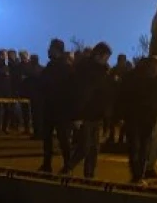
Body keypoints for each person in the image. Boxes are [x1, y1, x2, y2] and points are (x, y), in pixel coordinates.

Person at [65, 42, 113, 178]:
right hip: (85, 114)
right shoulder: (84, 70)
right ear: (98, 55)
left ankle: (89, 176)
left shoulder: (103, 71)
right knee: (84, 148)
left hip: (96, 115)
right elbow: (79, 94)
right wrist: (77, 115)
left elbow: (105, 94)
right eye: (105, 57)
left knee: (94, 150)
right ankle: (67, 168)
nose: (106, 60)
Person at [119, 55, 157, 185]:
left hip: (136, 117)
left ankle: (137, 174)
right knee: (142, 147)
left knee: (136, 147)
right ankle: (139, 175)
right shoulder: (151, 80)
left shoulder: (132, 77)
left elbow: (123, 96)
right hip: (142, 118)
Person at [38, 39, 76, 173]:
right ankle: (47, 164)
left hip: (61, 110)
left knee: (63, 139)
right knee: (47, 138)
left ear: (57, 50)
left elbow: (71, 90)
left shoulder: (65, 68)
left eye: (51, 48)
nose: (48, 50)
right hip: (50, 108)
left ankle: (67, 165)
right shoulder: (50, 66)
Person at [108, 54, 133, 145]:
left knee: (121, 119)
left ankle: (120, 138)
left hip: (122, 98)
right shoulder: (115, 70)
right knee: (114, 119)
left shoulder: (126, 71)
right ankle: (114, 137)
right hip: (116, 98)